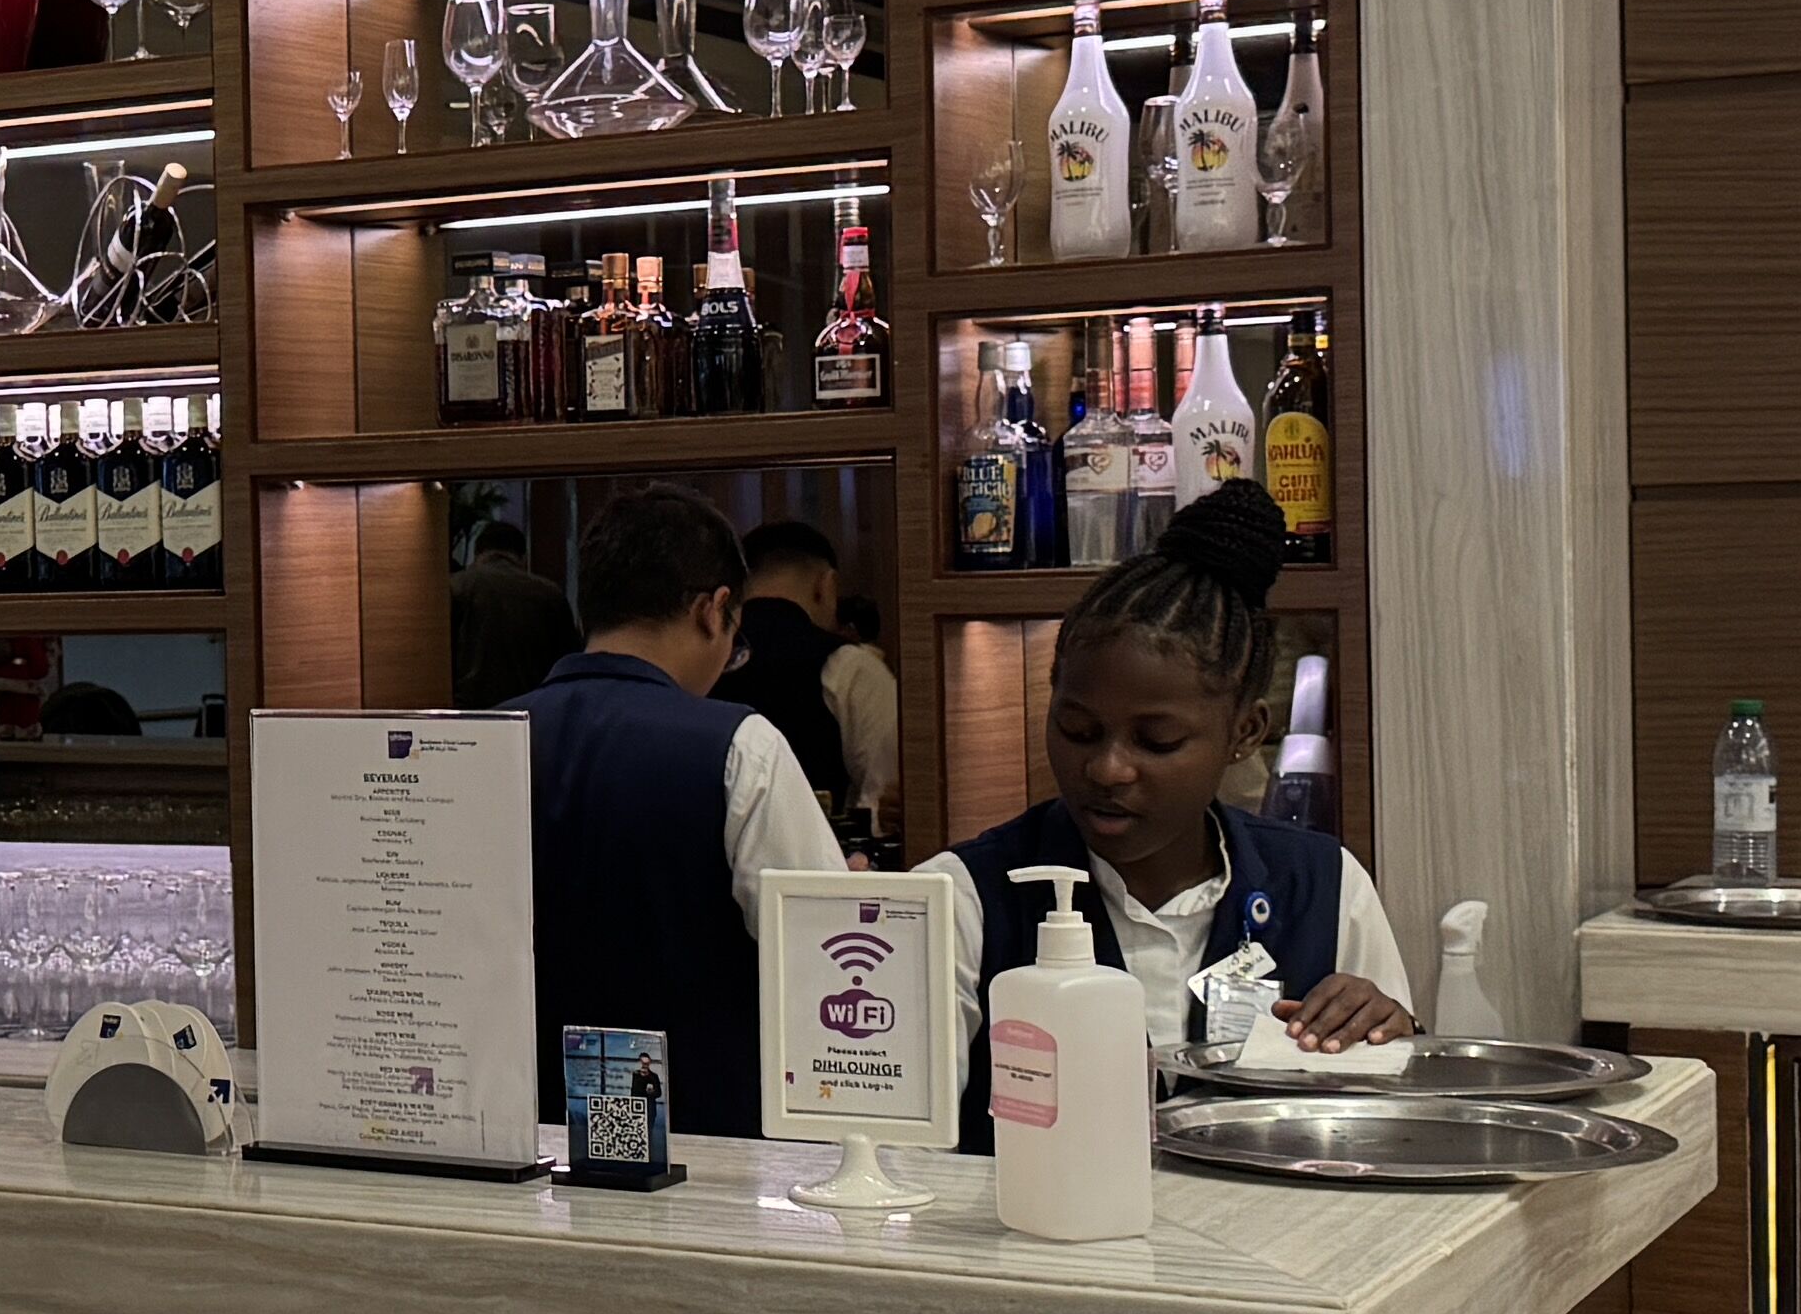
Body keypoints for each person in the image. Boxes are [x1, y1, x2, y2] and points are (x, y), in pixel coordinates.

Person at [947, 482, 1418, 1145]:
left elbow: (1388, 1133)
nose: (1108, 769)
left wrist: (1389, 1037)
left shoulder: (1323, 886)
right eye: (1078, 730)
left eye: (1157, 741)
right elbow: (895, 1152)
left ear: (1246, 733)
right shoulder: (963, 899)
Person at [517, 486, 845, 1143]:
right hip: (703, 1145)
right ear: (712, 610)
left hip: (521, 1140)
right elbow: (825, 956)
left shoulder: (479, 741)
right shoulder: (741, 746)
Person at [715, 516, 899, 859]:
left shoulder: (704, 662)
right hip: (817, 873)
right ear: (825, 586)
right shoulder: (850, 666)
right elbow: (880, 805)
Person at [449, 510, 579, 713]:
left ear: (477, 554)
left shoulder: (455, 587)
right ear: (523, 557)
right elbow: (568, 662)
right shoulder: (549, 594)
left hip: (468, 714)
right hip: (531, 713)